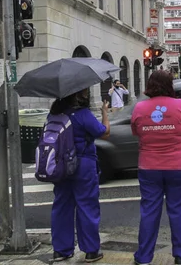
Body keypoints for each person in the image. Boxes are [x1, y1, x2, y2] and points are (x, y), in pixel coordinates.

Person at [130, 70, 181, 265]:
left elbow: (136, 132)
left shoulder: (139, 108)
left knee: (149, 211)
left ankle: (143, 257)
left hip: (149, 166)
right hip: (179, 166)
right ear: (171, 85)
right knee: (178, 211)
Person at [49, 88, 110, 263]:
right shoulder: (82, 114)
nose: (86, 93)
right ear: (75, 94)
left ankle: (61, 250)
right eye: (83, 91)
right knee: (87, 206)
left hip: (60, 166)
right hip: (82, 165)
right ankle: (91, 250)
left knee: (61, 206)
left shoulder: (54, 114)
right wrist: (105, 113)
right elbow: (104, 132)